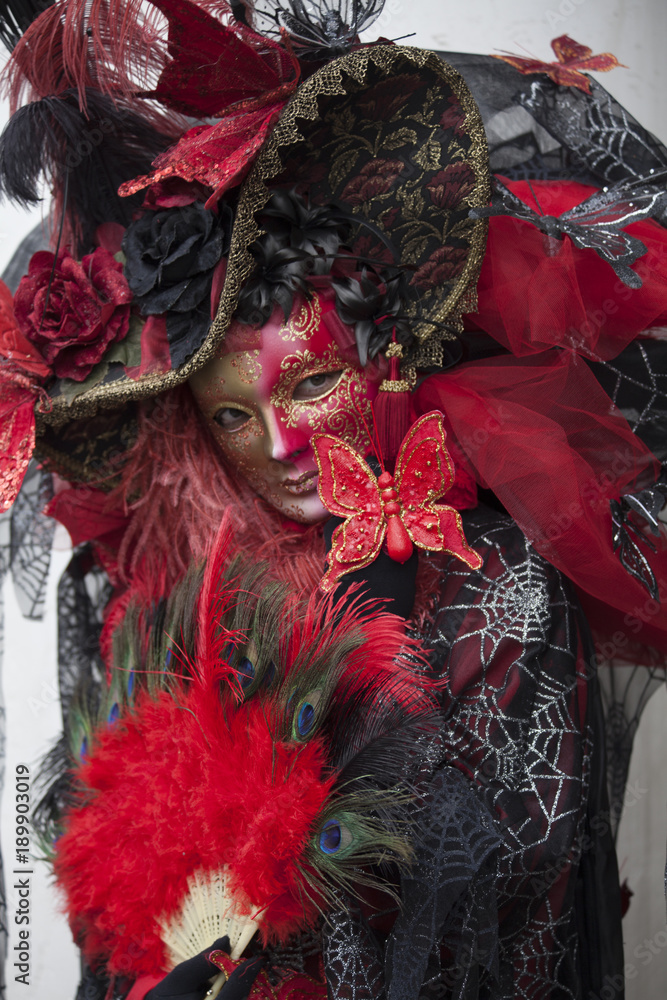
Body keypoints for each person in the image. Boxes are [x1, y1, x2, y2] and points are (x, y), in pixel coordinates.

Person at [1, 0, 667, 996]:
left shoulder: (493, 580)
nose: (280, 444)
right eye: (231, 417)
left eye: (310, 384)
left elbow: (519, 911)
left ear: (381, 355)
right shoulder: (175, 600)